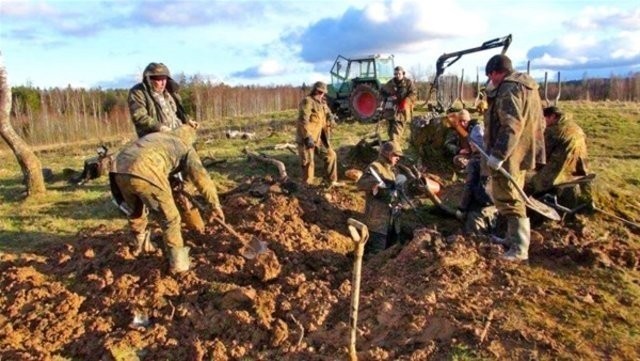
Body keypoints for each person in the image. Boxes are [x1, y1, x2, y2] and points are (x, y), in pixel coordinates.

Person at [109, 125, 225, 273]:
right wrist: (214, 205)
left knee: (136, 211)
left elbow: (160, 159)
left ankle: (140, 245)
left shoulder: (160, 138)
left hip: (119, 169)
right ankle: (179, 265)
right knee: (171, 218)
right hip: (145, 169)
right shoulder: (185, 148)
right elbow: (202, 178)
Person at [484, 54, 546, 262]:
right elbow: (539, 122)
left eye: (491, 77)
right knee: (513, 194)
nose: (491, 81)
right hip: (523, 150)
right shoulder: (528, 86)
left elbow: (511, 125)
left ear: (495, 72)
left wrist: (498, 154)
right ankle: (511, 238)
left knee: (509, 197)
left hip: (510, 153)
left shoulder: (508, 89)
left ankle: (519, 248)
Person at [526, 106, 590, 200]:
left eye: (544, 119)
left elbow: (542, 155)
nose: (543, 123)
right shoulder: (576, 127)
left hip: (559, 171)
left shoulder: (554, 131)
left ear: (553, 116)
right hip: (579, 169)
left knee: (529, 185)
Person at [357, 141, 405, 254]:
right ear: (386, 153)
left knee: (390, 253)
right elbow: (361, 184)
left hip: (391, 221)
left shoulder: (392, 170)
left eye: (398, 156)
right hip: (377, 222)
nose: (398, 158)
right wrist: (377, 185)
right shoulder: (375, 167)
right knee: (376, 254)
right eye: (395, 155)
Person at [128, 62, 197, 138]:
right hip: (155, 139)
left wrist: (188, 120)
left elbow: (178, 112)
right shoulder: (138, 92)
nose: (163, 83)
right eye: (159, 79)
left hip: (177, 135)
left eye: (165, 78)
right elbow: (139, 117)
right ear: (149, 79)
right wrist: (160, 127)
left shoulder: (170, 92)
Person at [296, 81, 341, 187]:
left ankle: (331, 182)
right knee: (308, 163)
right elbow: (303, 120)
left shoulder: (322, 103)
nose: (321, 94)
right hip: (307, 139)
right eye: (320, 92)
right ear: (315, 90)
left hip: (319, 138)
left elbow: (328, 114)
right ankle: (307, 188)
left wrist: (332, 119)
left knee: (331, 155)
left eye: (323, 93)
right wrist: (307, 137)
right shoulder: (308, 101)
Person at [456, 124, 498, 235]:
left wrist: (461, 208)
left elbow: (469, 187)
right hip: (496, 204)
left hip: (478, 208)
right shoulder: (495, 159)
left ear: (474, 144)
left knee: (474, 239)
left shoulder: (474, 163)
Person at [381, 66, 417, 144]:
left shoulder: (408, 83)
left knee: (397, 132)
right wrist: (388, 97)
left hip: (402, 110)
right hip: (390, 111)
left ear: (403, 74)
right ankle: (391, 146)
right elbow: (383, 92)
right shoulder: (390, 83)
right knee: (390, 131)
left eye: (399, 74)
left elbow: (413, 93)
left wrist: (405, 102)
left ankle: (394, 148)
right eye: (395, 74)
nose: (397, 75)